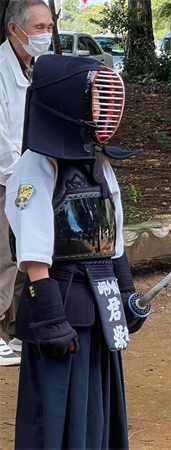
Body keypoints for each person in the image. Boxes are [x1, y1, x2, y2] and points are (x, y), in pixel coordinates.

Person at [5, 54, 149, 449]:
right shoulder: (36, 165)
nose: (104, 110)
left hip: (101, 305)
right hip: (61, 305)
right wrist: (50, 314)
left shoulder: (98, 160)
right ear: (68, 101)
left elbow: (112, 237)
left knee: (96, 406)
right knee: (55, 410)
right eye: (96, 100)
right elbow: (34, 249)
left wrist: (126, 292)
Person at [0, 0, 53, 365]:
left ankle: (19, 329)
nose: (45, 35)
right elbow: (3, 135)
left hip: (32, 175)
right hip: (7, 177)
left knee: (30, 250)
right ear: (14, 30)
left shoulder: (39, 67)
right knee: (4, 256)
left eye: (49, 27)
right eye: (39, 28)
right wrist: (16, 179)